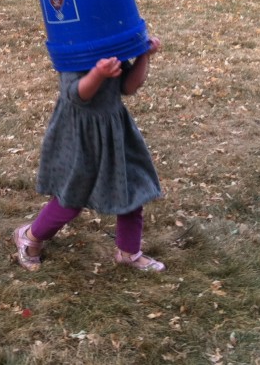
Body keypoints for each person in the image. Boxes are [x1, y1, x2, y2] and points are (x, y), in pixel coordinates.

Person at [13, 37, 165, 272]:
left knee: (131, 188)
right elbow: (76, 94)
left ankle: (129, 252)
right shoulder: (73, 44)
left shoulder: (107, 41)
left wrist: (144, 55)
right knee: (72, 197)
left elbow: (128, 87)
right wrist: (98, 73)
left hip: (114, 129)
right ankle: (30, 237)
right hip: (79, 133)